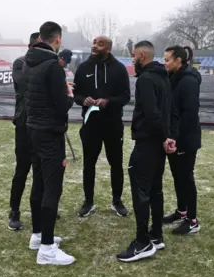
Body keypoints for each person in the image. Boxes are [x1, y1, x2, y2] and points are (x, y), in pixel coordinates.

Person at [117, 40, 178, 263]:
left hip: (148, 143)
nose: (132, 60)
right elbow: (170, 111)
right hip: (159, 144)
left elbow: (153, 113)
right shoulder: (163, 77)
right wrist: (168, 137)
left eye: (134, 56)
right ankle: (157, 235)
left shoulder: (146, 79)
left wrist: (164, 138)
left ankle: (143, 242)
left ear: (142, 56)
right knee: (155, 189)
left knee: (141, 190)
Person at [24, 21, 76, 265]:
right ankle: (46, 249)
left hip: (33, 129)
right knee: (51, 187)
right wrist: (70, 94)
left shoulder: (28, 61)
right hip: (49, 133)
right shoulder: (52, 66)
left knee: (39, 182)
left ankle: (38, 235)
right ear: (57, 39)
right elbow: (62, 104)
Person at [73, 35, 131, 217]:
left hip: (113, 125)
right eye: (94, 43)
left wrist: (108, 101)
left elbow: (126, 97)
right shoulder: (83, 68)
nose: (95, 46)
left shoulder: (119, 69)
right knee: (89, 164)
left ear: (108, 49)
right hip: (90, 126)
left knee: (116, 164)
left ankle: (117, 200)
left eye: (100, 44)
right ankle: (88, 201)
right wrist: (84, 100)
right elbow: (76, 94)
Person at [162, 45, 202, 235]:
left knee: (186, 177)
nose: (165, 63)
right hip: (174, 137)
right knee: (178, 176)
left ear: (178, 60)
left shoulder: (188, 81)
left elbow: (189, 114)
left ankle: (192, 220)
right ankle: (181, 211)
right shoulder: (172, 77)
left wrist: (175, 137)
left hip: (185, 139)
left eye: (167, 59)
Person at [7, 31, 40, 231]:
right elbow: (24, 85)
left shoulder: (49, 65)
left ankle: (41, 208)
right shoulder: (20, 63)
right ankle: (14, 210)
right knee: (22, 169)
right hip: (24, 122)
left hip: (42, 124)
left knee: (41, 171)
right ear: (30, 47)